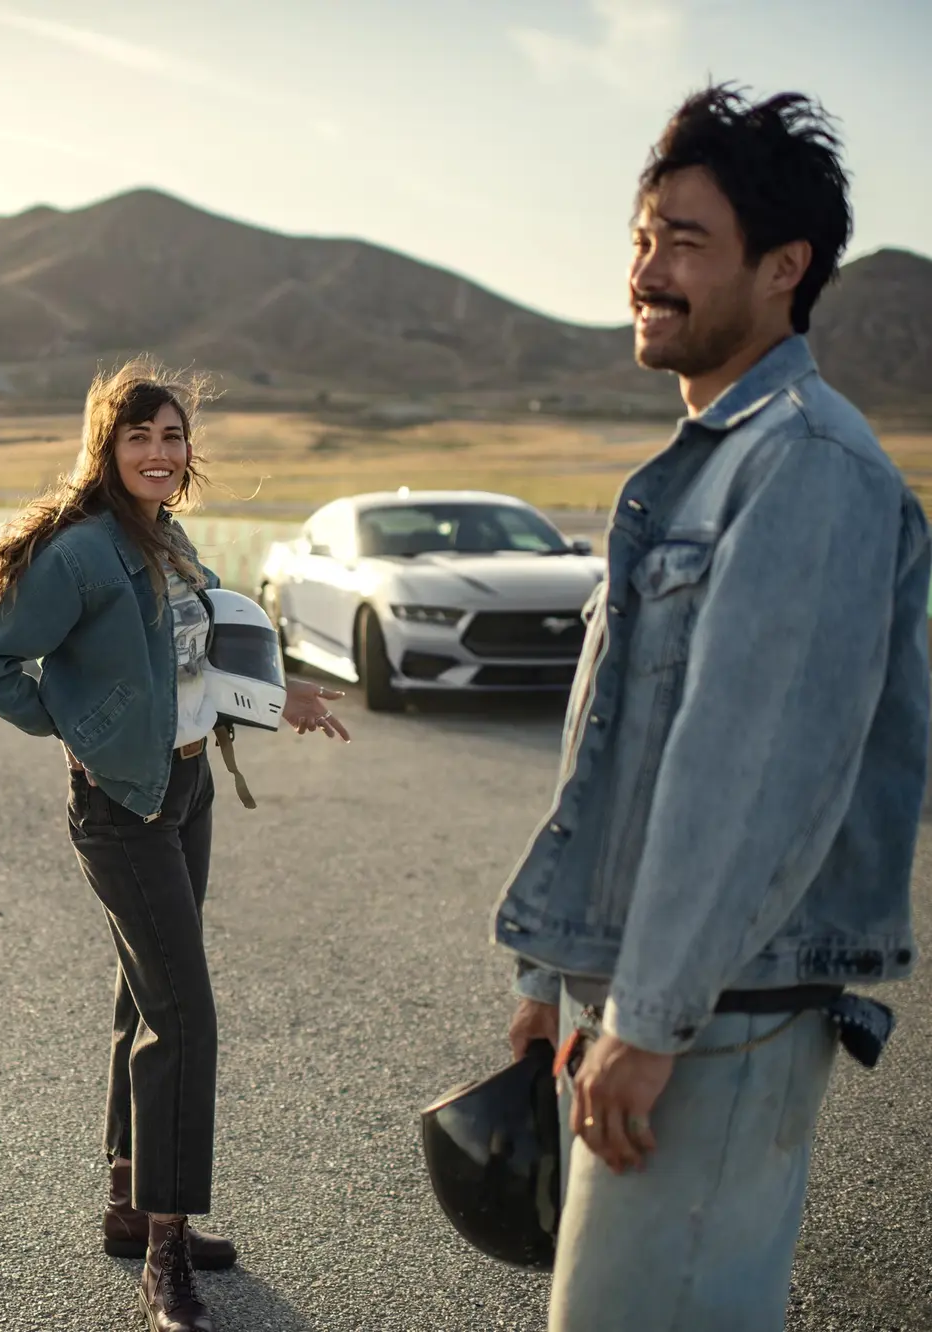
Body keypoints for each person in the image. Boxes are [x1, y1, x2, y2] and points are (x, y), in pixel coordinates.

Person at [495, 86, 930, 1332]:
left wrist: (649, 1016)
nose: (647, 268)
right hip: (645, 998)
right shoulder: (704, 467)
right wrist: (554, 973)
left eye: (685, 241)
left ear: (784, 268)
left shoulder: (808, 466)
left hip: (712, 1015)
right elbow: (617, 755)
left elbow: (751, 779)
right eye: (642, 237)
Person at [0, 364, 349, 1332]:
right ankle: (166, 1254)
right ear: (107, 447)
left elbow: (201, 658)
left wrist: (278, 696)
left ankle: (131, 1201)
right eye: (140, 438)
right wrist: (73, 723)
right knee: (186, 1013)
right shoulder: (84, 553)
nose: (160, 453)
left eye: (171, 436)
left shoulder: (166, 539)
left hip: (185, 786)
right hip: (120, 803)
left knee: (145, 994)